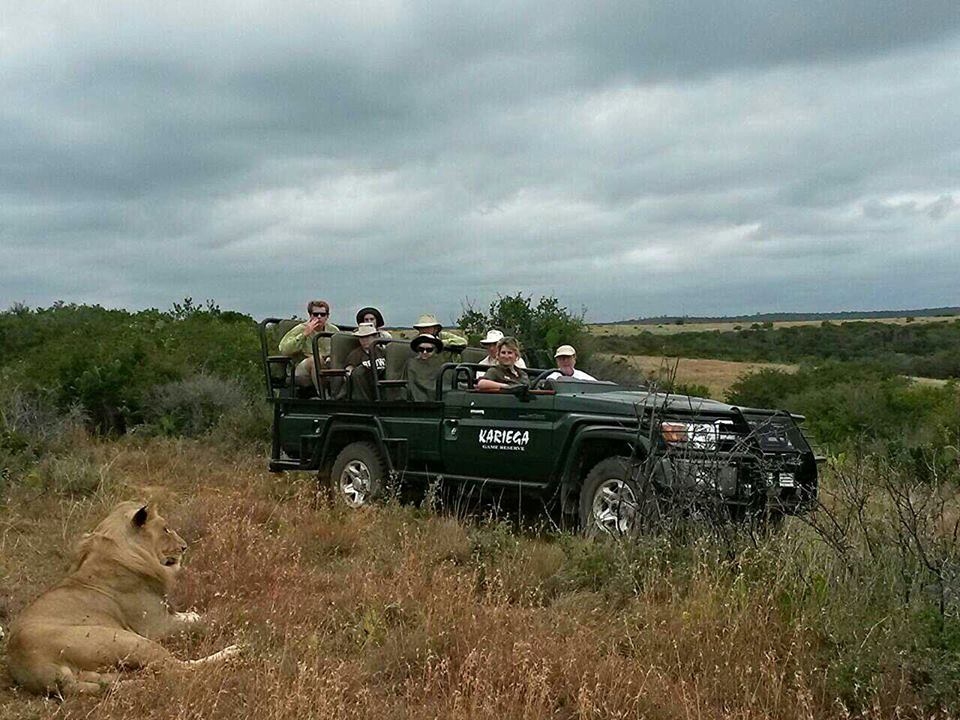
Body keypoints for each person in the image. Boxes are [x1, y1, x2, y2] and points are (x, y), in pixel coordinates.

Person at [278, 300, 341, 388]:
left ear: (327, 316)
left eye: (322, 314)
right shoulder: (301, 329)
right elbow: (284, 349)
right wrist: (304, 335)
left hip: (326, 364)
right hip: (303, 366)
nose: (319, 317)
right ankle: (323, 396)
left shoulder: (333, 330)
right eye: (315, 314)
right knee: (315, 359)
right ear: (310, 315)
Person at [344, 323, 386, 401]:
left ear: (375, 337)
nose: (364, 340)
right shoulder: (355, 354)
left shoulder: (383, 352)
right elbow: (349, 371)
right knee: (359, 372)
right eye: (361, 337)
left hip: (382, 387)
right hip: (364, 389)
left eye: (367, 337)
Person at [403, 334, 444, 402]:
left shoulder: (441, 363)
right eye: (421, 349)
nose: (424, 352)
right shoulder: (411, 363)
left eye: (429, 350)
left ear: (435, 350)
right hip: (416, 402)